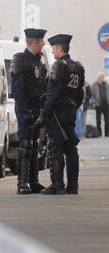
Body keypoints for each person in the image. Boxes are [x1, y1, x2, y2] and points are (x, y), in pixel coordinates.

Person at [34, 34, 85, 195]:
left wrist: (44, 114)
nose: (52, 52)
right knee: (71, 149)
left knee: (56, 148)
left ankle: (57, 184)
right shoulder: (77, 67)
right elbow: (80, 95)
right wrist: (72, 108)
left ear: (60, 49)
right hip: (70, 113)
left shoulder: (59, 66)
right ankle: (73, 185)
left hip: (57, 113)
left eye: (54, 48)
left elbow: (52, 94)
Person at [10, 28, 48, 194]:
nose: (43, 44)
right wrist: (25, 111)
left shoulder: (39, 61)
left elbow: (42, 86)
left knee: (34, 145)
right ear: (34, 42)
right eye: (41, 41)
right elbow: (17, 89)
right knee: (25, 145)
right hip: (25, 108)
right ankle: (22, 182)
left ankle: (34, 181)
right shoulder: (20, 59)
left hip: (36, 108)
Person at [90, 72, 109, 137]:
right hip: (98, 104)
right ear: (98, 78)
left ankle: (107, 133)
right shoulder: (94, 85)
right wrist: (96, 103)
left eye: (103, 77)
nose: (103, 78)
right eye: (102, 77)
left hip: (106, 104)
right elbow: (91, 96)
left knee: (107, 119)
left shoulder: (106, 84)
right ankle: (99, 133)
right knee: (98, 120)